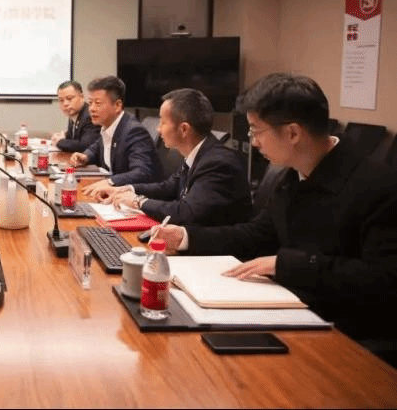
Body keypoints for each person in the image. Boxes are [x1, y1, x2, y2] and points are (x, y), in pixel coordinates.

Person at [152, 73, 397, 345]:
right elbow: (257, 234)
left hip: (347, 337)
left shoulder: (378, 186)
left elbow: (382, 280)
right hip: (292, 314)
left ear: (293, 133)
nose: (253, 142)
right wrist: (186, 237)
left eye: (256, 131)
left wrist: (286, 264)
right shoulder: (291, 176)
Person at [92, 88, 251, 227]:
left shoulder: (218, 163)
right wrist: (126, 189)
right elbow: (168, 187)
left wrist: (138, 201)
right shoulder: (196, 153)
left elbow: (186, 212)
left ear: (184, 129)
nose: (158, 129)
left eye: (162, 122)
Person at [71, 75, 160, 190]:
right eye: (90, 102)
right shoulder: (109, 126)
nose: (91, 109)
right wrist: (86, 156)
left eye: (98, 103)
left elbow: (142, 172)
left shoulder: (133, 131)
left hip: (134, 196)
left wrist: (110, 182)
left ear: (117, 105)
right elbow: (98, 146)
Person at [49, 80, 100, 153]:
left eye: (69, 98)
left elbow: (84, 146)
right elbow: (73, 139)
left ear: (82, 97)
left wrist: (59, 142)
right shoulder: (74, 115)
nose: (65, 104)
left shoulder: (90, 115)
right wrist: (64, 136)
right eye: (61, 100)